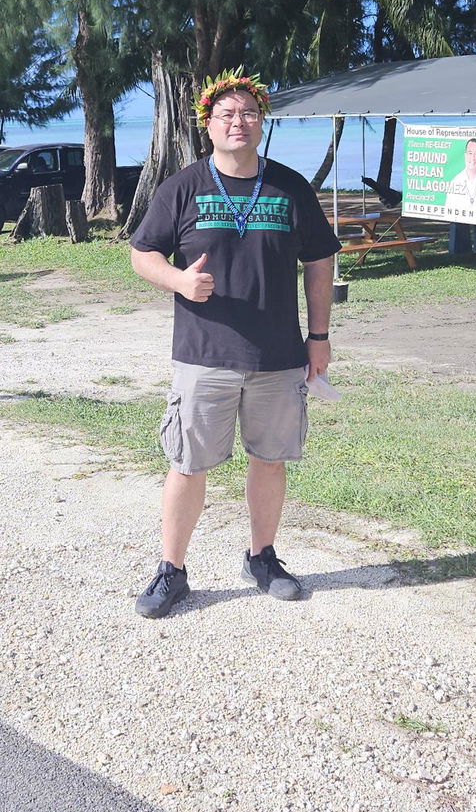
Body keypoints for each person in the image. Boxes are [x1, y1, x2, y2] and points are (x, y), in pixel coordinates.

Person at [128, 71, 340, 619]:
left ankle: (262, 558)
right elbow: (143, 252)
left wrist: (319, 337)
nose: (238, 122)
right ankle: (171, 570)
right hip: (204, 354)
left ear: (261, 122)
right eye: (227, 114)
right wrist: (179, 281)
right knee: (188, 463)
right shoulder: (182, 187)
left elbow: (319, 263)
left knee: (269, 461)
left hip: (277, 355)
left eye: (248, 112)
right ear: (209, 125)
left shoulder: (290, 186)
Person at [443, 137, 476, 216]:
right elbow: (448, 210)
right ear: (465, 155)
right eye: (470, 153)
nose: (473, 158)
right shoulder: (456, 181)